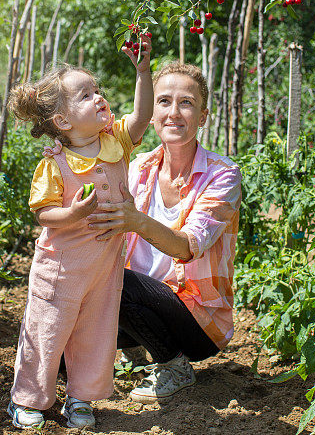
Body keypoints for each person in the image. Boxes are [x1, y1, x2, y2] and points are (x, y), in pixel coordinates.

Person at [5, 35, 153, 429]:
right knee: (47, 331)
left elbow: (141, 118)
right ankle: (28, 399)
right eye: (86, 95)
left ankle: (81, 398)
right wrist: (73, 211)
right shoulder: (56, 163)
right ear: (63, 121)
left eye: (98, 91)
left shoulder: (116, 141)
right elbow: (44, 214)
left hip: (104, 270)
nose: (99, 98)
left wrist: (143, 71)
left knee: (96, 331)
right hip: (60, 269)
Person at [86, 61, 242, 403]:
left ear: (202, 116)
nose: (174, 112)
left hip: (197, 320)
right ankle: (139, 349)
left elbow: (187, 247)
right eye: (164, 101)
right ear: (152, 113)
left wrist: (136, 220)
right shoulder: (138, 167)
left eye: (186, 103)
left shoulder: (223, 175)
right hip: (138, 305)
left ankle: (174, 365)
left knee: (117, 279)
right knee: (68, 366)